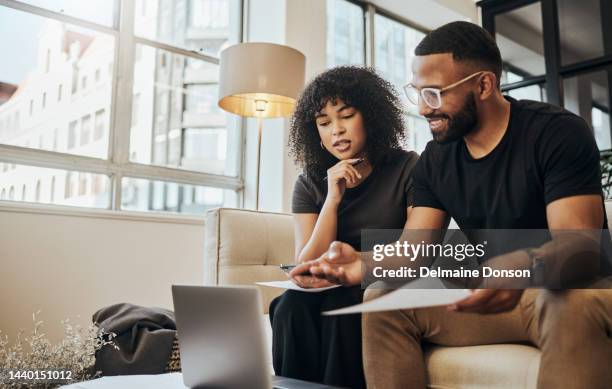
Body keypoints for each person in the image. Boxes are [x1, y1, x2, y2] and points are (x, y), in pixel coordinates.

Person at [291, 21, 612, 389]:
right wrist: (360, 263)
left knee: (565, 299)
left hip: (574, 291)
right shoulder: (436, 160)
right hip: (498, 299)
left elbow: (582, 248)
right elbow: (412, 253)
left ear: (484, 85)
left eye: (435, 93)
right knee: (383, 299)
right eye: (418, 92)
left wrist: (524, 264)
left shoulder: (555, 133)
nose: (425, 109)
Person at [269, 66, 419, 389]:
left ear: (371, 116)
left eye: (346, 116)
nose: (336, 130)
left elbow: (414, 252)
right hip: (326, 286)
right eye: (324, 123)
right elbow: (305, 264)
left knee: (343, 305)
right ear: (316, 134)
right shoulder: (309, 182)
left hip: (381, 279)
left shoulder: (407, 167)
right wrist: (331, 200)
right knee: (288, 306)